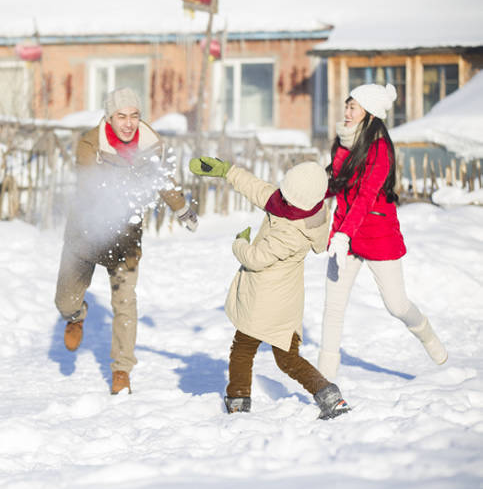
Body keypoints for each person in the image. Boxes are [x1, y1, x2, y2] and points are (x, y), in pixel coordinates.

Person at [54, 87, 199, 394]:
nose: (129, 123)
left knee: (125, 304)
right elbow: (90, 183)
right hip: (86, 231)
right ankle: (76, 316)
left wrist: (182, 209)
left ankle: (122, 370)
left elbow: (160, 179)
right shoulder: (91, 143)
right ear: (109, 116)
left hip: (125, 236)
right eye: (121, 116)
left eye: (134, 115)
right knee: (64, 300)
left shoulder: (149, 144)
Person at [190, 157, 349, 419]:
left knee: (242, 349)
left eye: (286, 195)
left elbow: (255, 258)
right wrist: (227, 171)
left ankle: (239, 400)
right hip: (286, 302)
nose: (281, 198)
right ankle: (329, 395)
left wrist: (239, 243)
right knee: (288, 359)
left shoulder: (291, 232)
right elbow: (259, 190)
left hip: (265, 300)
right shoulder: (302, 209)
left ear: (298, 200)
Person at [318, 83, 447, 380]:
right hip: (345, 235)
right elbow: (334, 184)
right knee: (333, 307)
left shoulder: (379, 150)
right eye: (347, 105)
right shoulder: (343, 142)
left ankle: (426, 333)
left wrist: (343, 235)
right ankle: (324, 383)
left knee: (396, 304)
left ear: (370, 114)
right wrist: (301, 197)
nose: (347, 112)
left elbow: (365, 198)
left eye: (353, 107)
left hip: (376, 233)